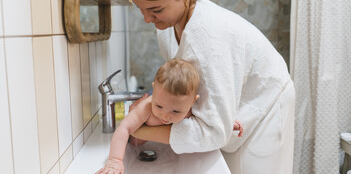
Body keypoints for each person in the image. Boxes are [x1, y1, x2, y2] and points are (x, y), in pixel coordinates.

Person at [123, 0, 296, 174]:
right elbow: (185, 86)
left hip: (265, 106)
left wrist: (137, 128)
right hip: (235, 107)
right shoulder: (167, 26)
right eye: (140, 8)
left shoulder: (206, 37)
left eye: (155, 10)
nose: (147, 19)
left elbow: (214, 132)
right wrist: (152, 112)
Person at [95, 59, 244, 174]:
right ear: (154, 88)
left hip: (163, 146)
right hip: (136, 144)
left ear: (192, 101)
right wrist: (115, 160)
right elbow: (124, 128)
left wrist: (227, 123)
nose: (165, 116)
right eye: (159, 106)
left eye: (176, 112)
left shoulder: (189, 109)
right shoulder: (146, 107)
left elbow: (208, 119)